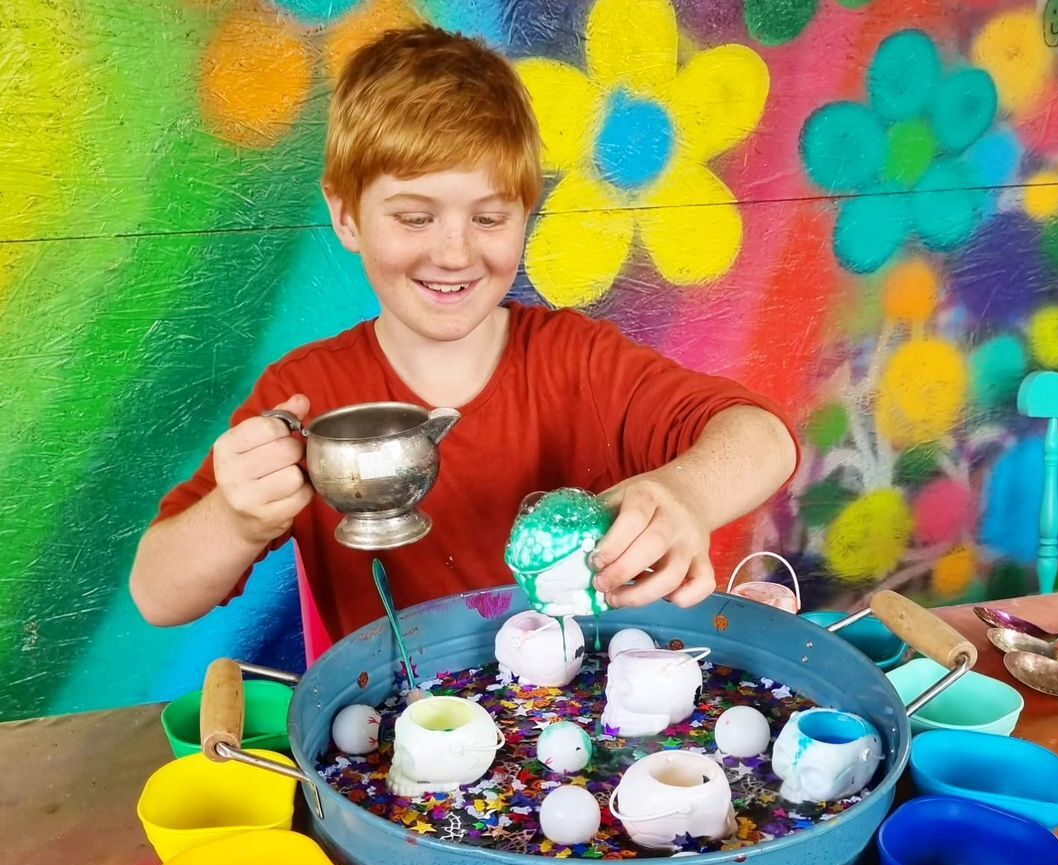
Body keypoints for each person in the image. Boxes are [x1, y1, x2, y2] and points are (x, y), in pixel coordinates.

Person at [130, 24, 798, 643]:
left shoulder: (579, 362)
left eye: (488, 218)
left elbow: (764, 439)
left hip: (584, 731)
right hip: (396, 739)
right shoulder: (308, 396)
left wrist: (687, 495)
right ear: (346, 216)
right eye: (415, 218)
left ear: (525, 213)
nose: (454, 254)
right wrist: (237, 517)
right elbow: (158, 595)